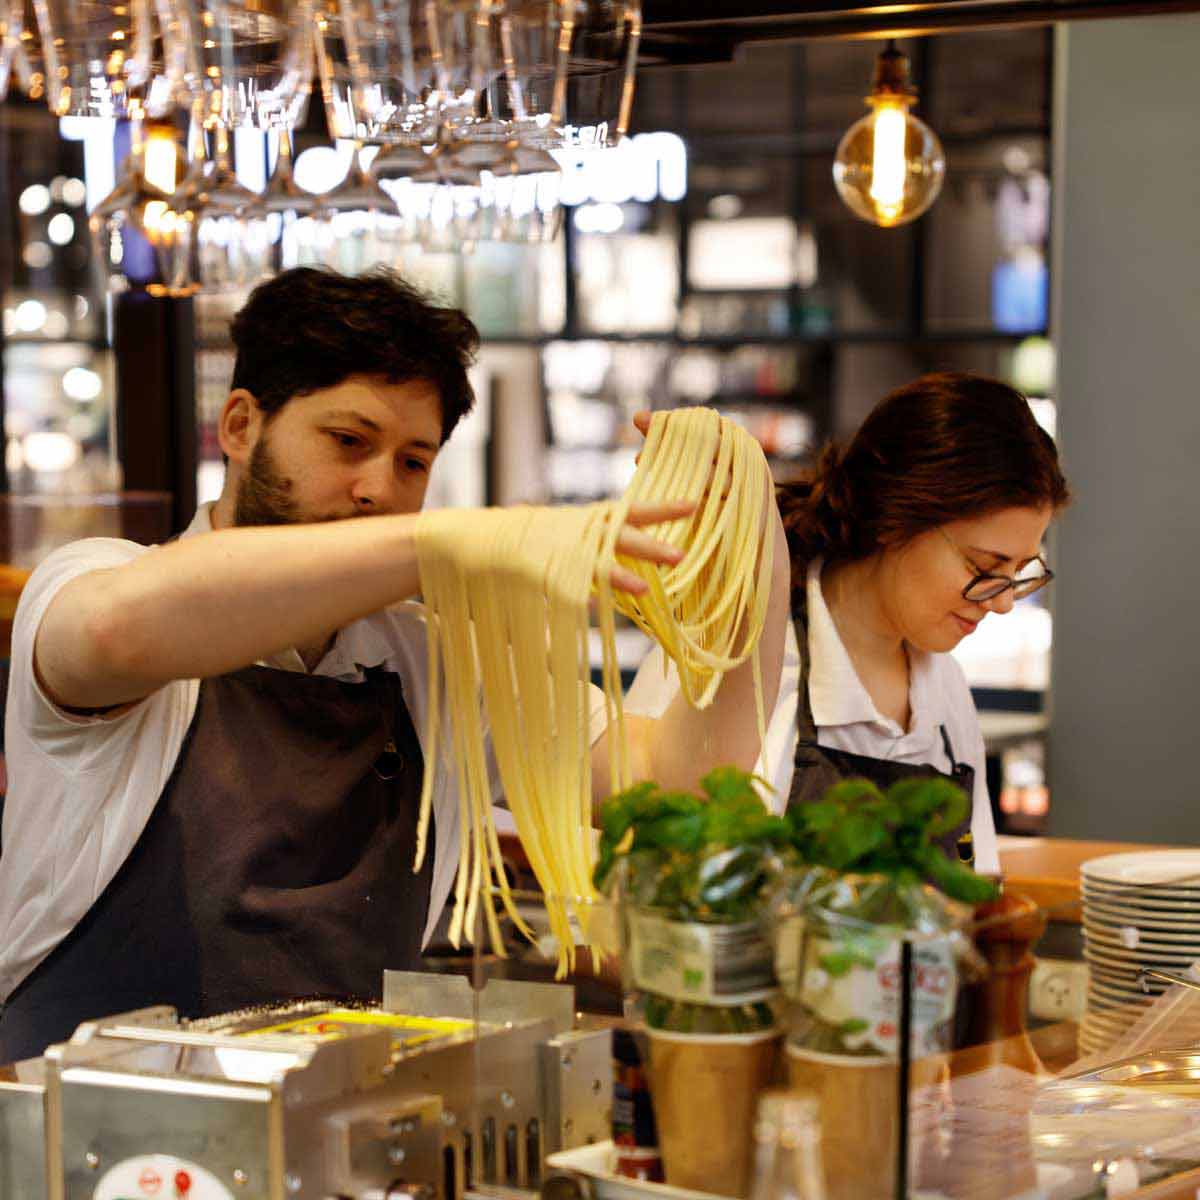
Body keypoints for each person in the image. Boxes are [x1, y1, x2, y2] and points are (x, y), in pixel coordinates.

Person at [0, 268, 790, 1061]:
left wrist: (759, 546)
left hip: (340, 1129)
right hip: (83, 1135)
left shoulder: (427, 658)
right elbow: (115, 636)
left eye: (414, 462)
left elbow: (678, 780)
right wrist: (448, 544)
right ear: (240, 426)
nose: (379, 488)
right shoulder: (97, 580)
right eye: (348, 442)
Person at [628, 372, 1070, 874]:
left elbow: (977, 899)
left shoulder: (943, 690)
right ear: (895, 518)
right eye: (984, 569)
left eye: (1018, 573)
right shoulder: (725, 658)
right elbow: (631, 888)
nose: (1002, 603)